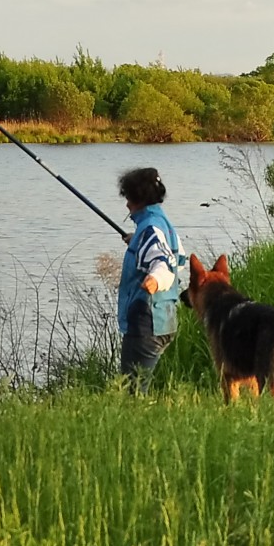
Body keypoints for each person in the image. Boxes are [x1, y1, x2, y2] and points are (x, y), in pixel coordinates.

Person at [115, 166, 186, 390]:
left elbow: (164, 265)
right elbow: (180, 259)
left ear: (137, 199)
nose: (126, 203)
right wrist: (137, 240)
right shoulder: (161, 224)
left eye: (128, 197)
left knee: (131, 391)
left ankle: (134, 424)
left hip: (146, 322)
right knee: (137, 388)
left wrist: (155, 280)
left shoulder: (150, 229)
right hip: (164, 321)